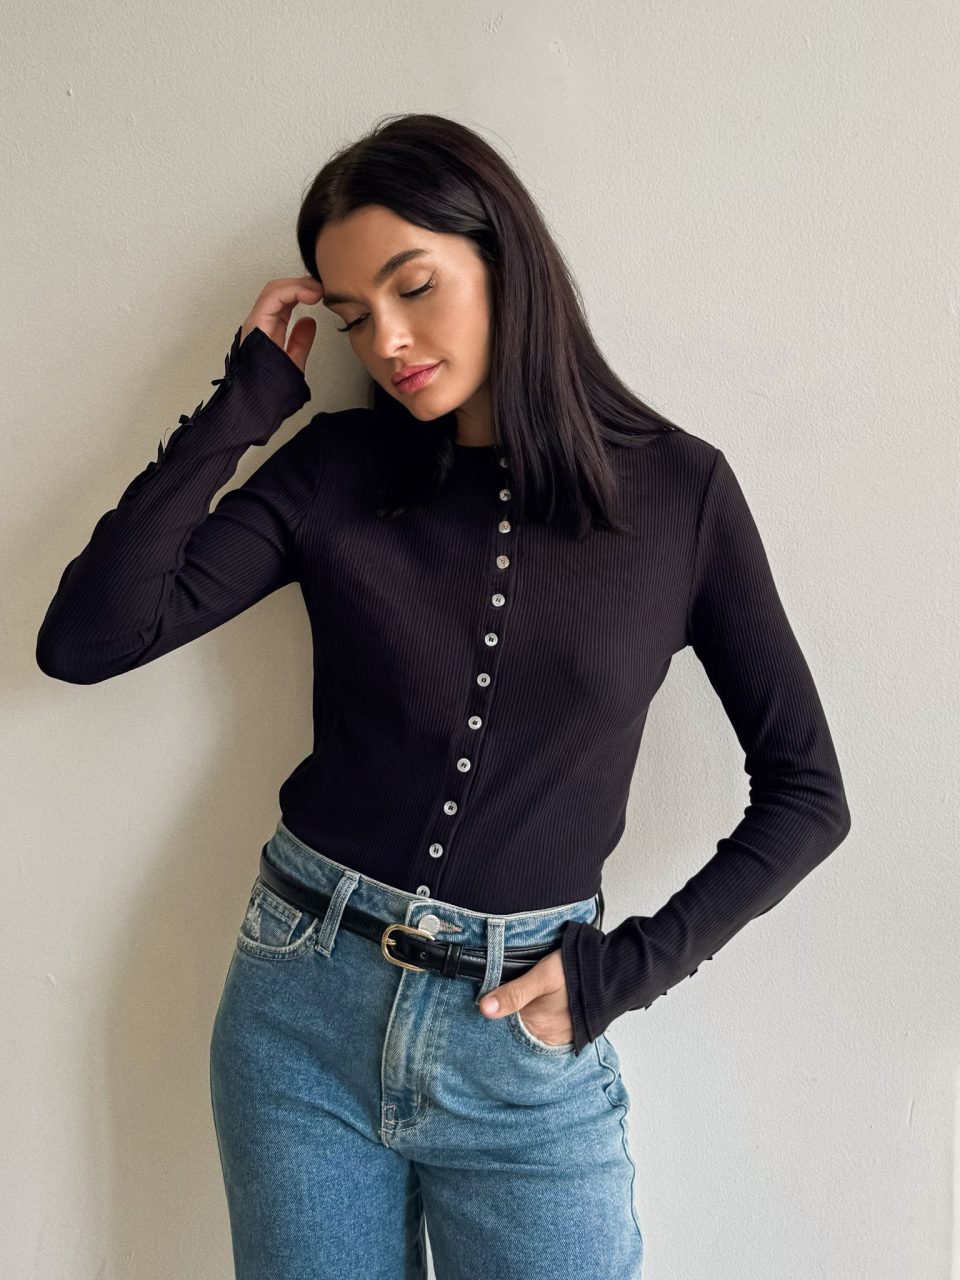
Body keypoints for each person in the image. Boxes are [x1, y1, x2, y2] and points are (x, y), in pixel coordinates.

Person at [35, 112, 850, 1279]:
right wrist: (243, 404)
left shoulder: (680, 495)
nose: (389, 340)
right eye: (354, 316)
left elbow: (809, 793)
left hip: (523, 1044)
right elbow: (90, 637)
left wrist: (627, 970)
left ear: (504, 259)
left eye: (414, 287)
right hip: (299, 1015)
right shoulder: (336, 468)